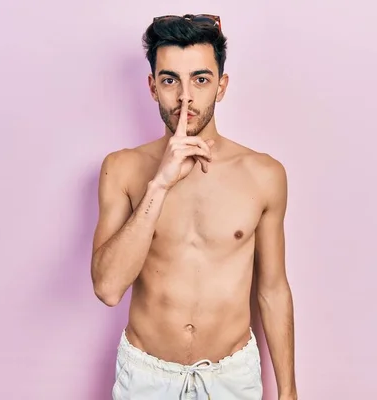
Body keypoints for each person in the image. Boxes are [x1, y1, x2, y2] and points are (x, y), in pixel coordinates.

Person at [91, 14, 297, 400]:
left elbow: (272, 288)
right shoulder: (122, 169)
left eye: (200, 80)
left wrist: (288, 390)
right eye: (170, 80)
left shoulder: (263, 174)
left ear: (221, 86)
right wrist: (161, 182)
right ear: (153, 87)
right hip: (146, 376)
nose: (185, 97)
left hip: (232, 376)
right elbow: (107, 287)